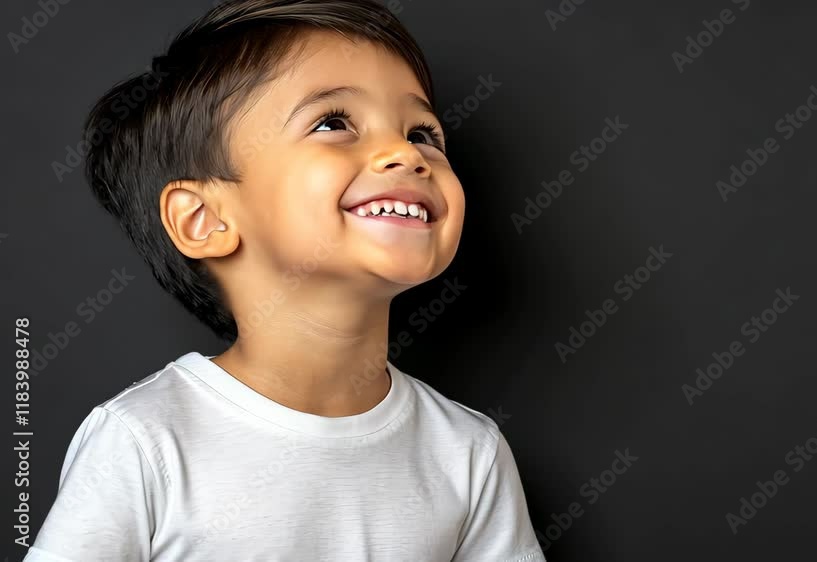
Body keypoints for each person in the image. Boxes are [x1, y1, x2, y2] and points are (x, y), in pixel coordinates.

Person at [24, 0, 544, 560]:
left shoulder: (469, 453)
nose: (405, 153)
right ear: (204, 219)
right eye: (333, 123)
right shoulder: (144, 441)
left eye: (423, 133)